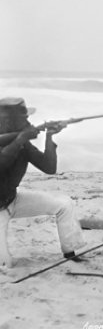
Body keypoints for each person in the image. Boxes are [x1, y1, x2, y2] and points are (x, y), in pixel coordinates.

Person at [0, 97, 85, 268]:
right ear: (9, 120)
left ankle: (70, 253)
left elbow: (49, 167)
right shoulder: (18, 141)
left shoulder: (22, 143)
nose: (28, 121)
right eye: (24, 118)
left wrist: (49, 136)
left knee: (63, 205)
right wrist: (19, 140)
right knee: (4, 265)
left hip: (10, 200)